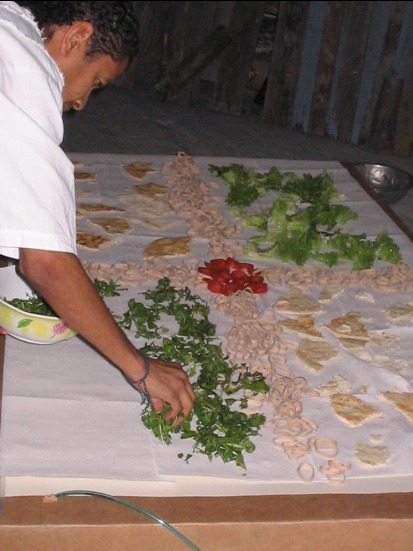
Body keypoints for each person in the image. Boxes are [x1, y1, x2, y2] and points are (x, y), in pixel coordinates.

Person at [0, 1, 196, 423]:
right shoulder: (28, 76)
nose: (82, 102)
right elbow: (45, 264)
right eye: (96, 82)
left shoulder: (10, 21)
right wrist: (140, 369)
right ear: (76, 37)